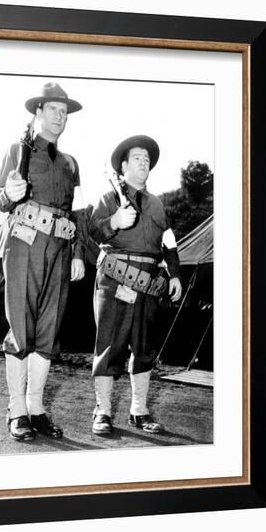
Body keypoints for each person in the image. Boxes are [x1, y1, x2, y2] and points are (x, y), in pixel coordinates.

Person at [0, 82, 87, 441]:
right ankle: (16, 409)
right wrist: (8, 194)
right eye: (53, 109)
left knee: (48, 331)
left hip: (60, 251)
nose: (60, 116)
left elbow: (76, 214)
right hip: (24, 244)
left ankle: (36, 408)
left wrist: (77, 253)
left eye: (64, 112)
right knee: (21, 326)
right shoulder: (18, 151)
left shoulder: (70, 164)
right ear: (37, 113)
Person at [89, 135, 182, 435]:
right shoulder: (108, 198)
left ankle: (139, 411)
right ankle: (102, 412)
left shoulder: (157, 205)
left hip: (150, 284)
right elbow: (92, 232)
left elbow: (169, 244)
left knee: (144, 348)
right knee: (108, 347)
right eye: (137, 158)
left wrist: (176, 274)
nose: (143, 163)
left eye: (147, 159)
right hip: (115, 280)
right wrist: (114, 221)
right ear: (124, 166)